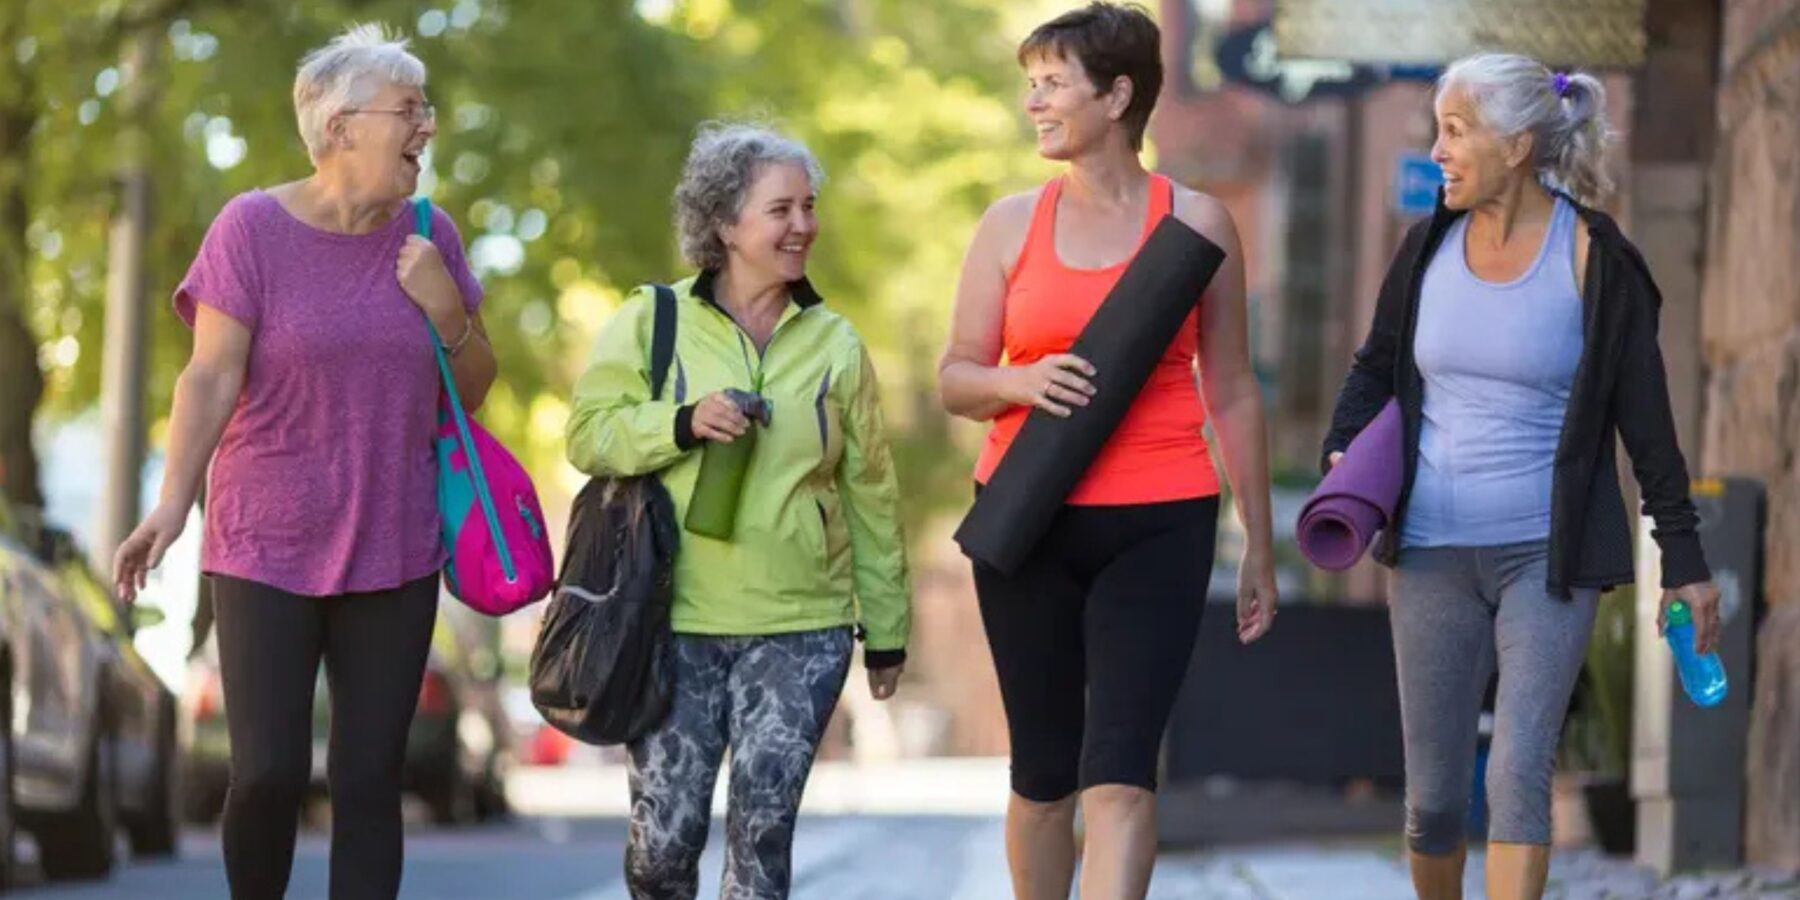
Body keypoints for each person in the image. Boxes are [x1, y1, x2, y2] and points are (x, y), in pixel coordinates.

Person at [1321, 53, 1722, 900]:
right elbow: (1375, 367)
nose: (1439, 149)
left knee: (1517, 772)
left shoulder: (1595, 260)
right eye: (1438, 129)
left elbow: (1647, 426)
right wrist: (1345, 452)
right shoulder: (1426, 245)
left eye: (1457, 130)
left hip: (1548, 556)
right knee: (1431, 802)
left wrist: (1684, 563)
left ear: (1519, 143)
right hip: (1429, 550)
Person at [110, 24, 493, 900]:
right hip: (264, 542)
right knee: (270, 775)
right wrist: (171, 507)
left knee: (366, 783)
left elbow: (472, 391)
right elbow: (209, 375)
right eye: (409, 110)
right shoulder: (250, 230)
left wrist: (445, 308)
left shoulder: (434, 236)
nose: (426, 128)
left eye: (425, 109)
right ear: (340, 128)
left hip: (394, 545)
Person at [937, 4, 1278, 898]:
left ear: (1118, 95)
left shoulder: (1199, 226)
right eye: (1031, 84)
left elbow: (1233, 388)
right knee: (1044, 778)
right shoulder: (1008, 226)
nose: (1034, 102)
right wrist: (1018, 382)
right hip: (1027, 521)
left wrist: (1261, 545)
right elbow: (956, 378)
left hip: (1161, 518)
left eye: (1052, 83)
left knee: (1122, 771)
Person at [566, 122, 912, 900]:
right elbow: (588, 435)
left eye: (809, 207)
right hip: (673, 622)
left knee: (762, 840)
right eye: (780, 209)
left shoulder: (836, 345)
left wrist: (886, 631)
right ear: (724, 224)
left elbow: (871, 496)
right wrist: (681, 422)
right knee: (663, 849)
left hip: (802, 628)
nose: (803, 226)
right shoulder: (653, 322)